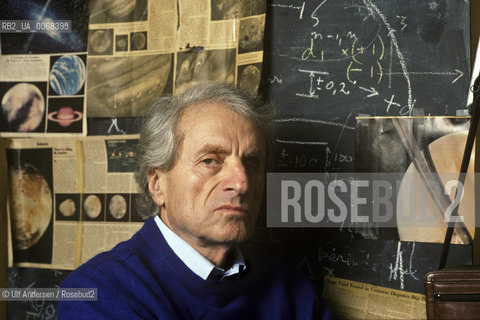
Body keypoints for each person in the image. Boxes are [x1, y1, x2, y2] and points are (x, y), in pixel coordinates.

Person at [58, 83, 330, 319]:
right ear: (157, 183)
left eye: (251, 163)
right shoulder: (97, 294)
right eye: (209, 161)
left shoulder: (293, 291)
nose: (241, 183)